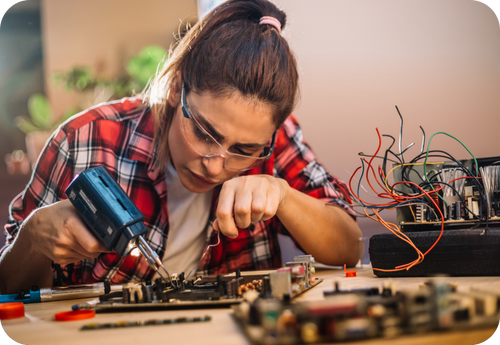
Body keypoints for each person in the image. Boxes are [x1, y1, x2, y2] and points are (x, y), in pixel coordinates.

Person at [0, 0, 362, 294]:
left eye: (243, 150)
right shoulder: (83, 141)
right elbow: (6, 289)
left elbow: (349, 247)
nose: (216, 166)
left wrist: (283, 195)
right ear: (176, 88)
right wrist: (32, 239)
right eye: (205, 133)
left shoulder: (273, 142)